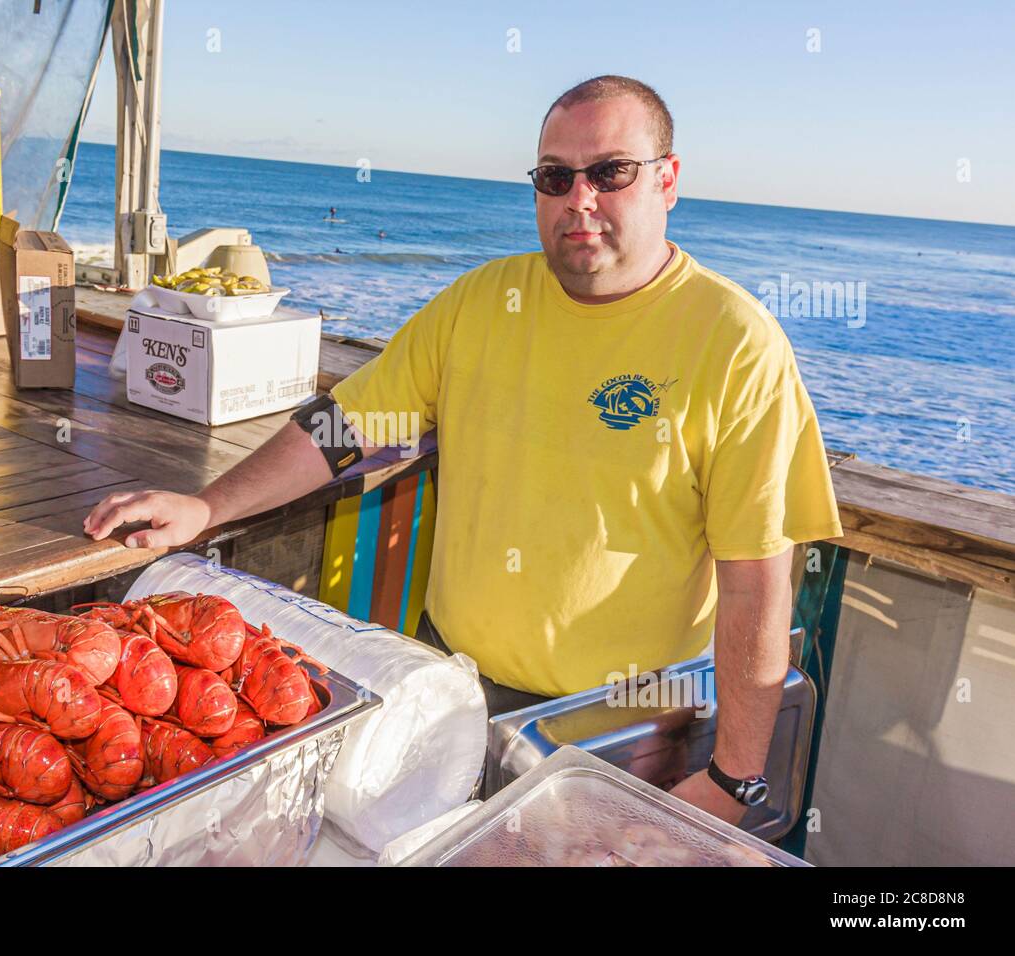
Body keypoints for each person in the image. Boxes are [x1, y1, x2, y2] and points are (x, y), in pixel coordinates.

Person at [84, 75, 843, 825]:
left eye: (611, 172)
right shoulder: (484, 301)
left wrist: (735, 778)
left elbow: (756, 586)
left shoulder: (736, 343)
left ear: (667, 180)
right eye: (554, 176)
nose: (580, 198)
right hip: (449, 686)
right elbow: (344, 429)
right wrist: (207, 505)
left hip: (624, 727)